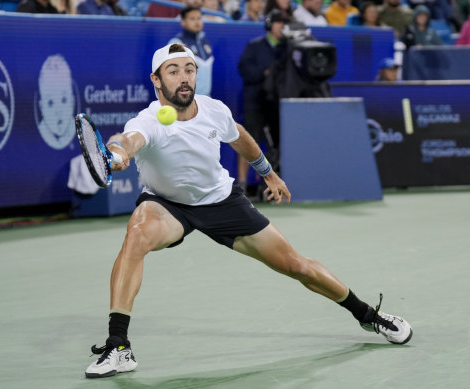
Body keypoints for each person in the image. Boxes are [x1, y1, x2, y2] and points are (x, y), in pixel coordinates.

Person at [83, 42, 413, 379]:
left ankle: (368, 315)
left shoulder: (214, 110)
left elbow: (239, 136)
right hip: (168, 205)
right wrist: (117, 154)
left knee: (297, 266)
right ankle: (118, 346)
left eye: (189, 69)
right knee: (136, 235)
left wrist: (267, 172)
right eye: (173, 71)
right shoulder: (148, 121)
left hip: (222, 202)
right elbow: (127, 141)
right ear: (156, 80)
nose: (183, 78)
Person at [237, 8, 289, 194]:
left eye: (285, 23)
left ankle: (273, 185)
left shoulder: (288, 47)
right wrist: (265, 74)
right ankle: (242, 183)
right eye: (278, 22)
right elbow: (244, 70)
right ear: (270, 25)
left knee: (278, 145)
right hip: (255, 103)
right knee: (248, 142)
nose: (282, 27)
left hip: (277, 105)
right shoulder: (254, 46)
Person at [169, 6, 215, 96]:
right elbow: (171, 74)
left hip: (205, 99)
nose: (197, 22)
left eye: (199, 18)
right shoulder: (177, 43)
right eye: (192, 19)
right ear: (183, 22)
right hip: (185, 99)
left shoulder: (205, 43)